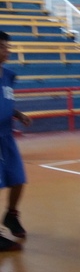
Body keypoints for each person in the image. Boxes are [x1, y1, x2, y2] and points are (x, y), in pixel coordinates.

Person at [0, 31, 32, 252]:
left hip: (6, 137)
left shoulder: (9, 75)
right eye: (3, 46)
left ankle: (11, 216)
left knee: (18, 178)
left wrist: (18, 114)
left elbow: (6, 102)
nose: (7, 50)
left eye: (7, 46)